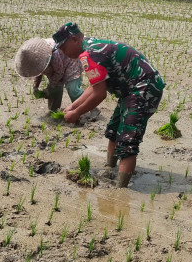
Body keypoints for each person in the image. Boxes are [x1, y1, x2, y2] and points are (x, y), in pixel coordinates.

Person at [54, 22, 165, 188]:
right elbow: (94, 86)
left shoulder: (89, 54)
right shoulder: (90, 47)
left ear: (74, 39)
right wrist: (73, 106)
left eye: (64, 48)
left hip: (143, 88)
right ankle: (110, 168)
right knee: (113, 130)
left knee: (127, 141)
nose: (63, 52)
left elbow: (100, 94)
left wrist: (77, 113)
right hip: (130, 90)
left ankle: (120, 191)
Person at [14, 37, 84, 111]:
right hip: (55, 70)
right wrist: (35, 87)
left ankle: (84, 108)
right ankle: (54, 110)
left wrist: (50, 87)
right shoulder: (35, 60)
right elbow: (38, 73)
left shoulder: (54, 53)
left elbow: (59, 72)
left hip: (70, 62)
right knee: (55, 89)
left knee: (73, 89)